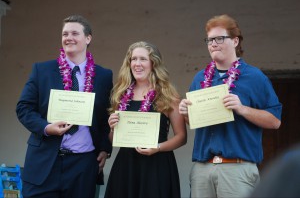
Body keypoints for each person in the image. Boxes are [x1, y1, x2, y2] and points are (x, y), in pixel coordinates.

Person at [178, 14, 282, 198]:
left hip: (237, 168)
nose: (213, 44)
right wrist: (186, 113)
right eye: (209, 40)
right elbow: (193, 122)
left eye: (219, 38)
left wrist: (242, 109)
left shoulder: (255, 77)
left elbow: (274, 121)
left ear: (235, 41)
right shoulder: (200, 78)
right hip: (202, 169)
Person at [16, 15, 113, 198]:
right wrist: (46, 127)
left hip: (83, 165)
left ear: (88, 38)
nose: (68, 37)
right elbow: (23, 108)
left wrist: (104, 148)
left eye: (75, 33)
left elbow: (105, 117)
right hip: (44, 162)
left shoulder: (103, 75)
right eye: (65, 33)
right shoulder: (42, 70)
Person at [104, 41, 187, 198]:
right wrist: (112, 127)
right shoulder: (120, 95)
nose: (137, 64)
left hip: (157, 166)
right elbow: (114, 139)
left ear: (153, 63)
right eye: (133, 59)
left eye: (143, 59)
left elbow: (181, 137)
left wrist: (158, 147)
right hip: (127, 166)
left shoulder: (168, 95)